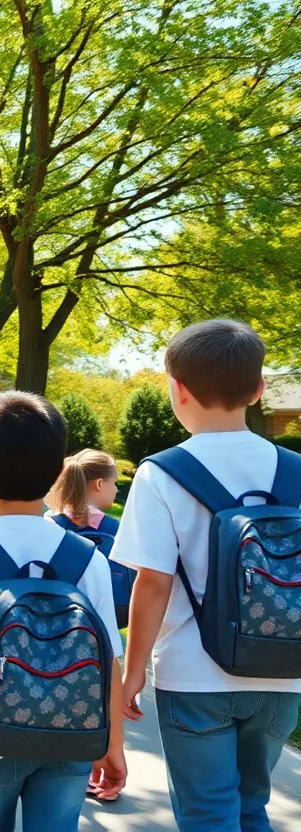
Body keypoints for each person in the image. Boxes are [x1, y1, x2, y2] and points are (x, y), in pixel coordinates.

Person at [112, 319, 301, 831]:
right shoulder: (296, 469)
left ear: (177, 388)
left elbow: (152, 582)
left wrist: (132, 676)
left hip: (193, 675)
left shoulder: (161, 472)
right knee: (250, 807)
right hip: (283, 673)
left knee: (207, 815)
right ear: (261, 391)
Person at [0, 392, 127, 832]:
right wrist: (113, 741)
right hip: (72, 732)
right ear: (58, 473)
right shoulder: (87, 557)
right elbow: (108, 657)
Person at [45, 448, 126, 802]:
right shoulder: (117, 530)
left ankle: (61, 771)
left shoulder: (49, 525)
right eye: (114, 483)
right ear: (97, 484)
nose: (117, 491)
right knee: (98, 702)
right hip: (99, 637)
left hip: (50, 634)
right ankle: (98, 767)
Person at [45, 450, 119, 533]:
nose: (116, 489)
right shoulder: (116, 530)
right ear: (99, 484)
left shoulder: (49, 522)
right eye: (114, 483)